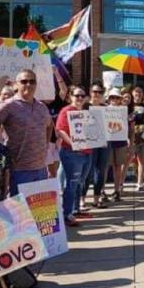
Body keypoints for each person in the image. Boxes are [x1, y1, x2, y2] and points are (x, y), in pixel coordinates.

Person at [0, 69, 53, 197]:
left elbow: (49, 126)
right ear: (16, 84)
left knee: (41, 215)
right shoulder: (8, 106)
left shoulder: (41, 107)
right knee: (21, 214)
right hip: (19, 170)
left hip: (41, 168)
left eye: (32, 81)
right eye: (24, 81)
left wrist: (46, 145)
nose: (28, 85)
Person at [55, 86, 91, 227]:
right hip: (72, 152)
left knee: (79, 182)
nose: (80, 98)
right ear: (71, 96)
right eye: (77, 96)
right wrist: (73, 144)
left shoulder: (86, 112)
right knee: (72, 183)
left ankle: (74, 210)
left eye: (82, 95)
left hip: (87, 152)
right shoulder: (66, 111)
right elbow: (60, 131)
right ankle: (66, 214)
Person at [83, 81, 110, 209]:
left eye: (100, 92)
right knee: (88, 171)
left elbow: (113, 126)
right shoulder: (84, 106)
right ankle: (82, 199)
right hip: (90, 143)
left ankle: (96, 198)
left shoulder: (107, 108)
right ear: (90, 92)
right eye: (95, 91)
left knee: (100, 171)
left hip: (104, 143)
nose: (97, 94)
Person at [107, 88, 132, 201]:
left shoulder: (124, 110)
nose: (114, 100)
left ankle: (117, 190)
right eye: (112, 97)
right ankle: (101, 191)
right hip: (108, 141)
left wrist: (129, 139)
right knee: (107, 166)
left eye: (117, 97)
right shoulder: (105, 109)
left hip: (120, 141)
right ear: (109, 98)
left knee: (118, 166)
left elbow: (128, 126)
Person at [130, 86, 144, 191]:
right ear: (132, 93)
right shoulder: (129, 106)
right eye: (136, 92)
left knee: (142, 160)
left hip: (143, 136)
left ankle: (140, 183)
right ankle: (120, 186)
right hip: (131, 137)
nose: (138, 94)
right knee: (128, 160)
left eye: (140, 92)